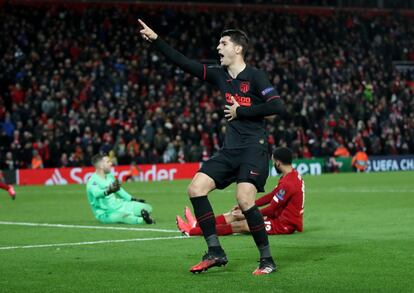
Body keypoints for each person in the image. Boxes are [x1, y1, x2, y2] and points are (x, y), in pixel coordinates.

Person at [139, 20, 287, 275]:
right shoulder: (219, 74)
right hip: (230, 149)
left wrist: (242, 111)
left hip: (254, 147)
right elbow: (184, 63)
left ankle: (267, 259)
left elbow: (277, 106)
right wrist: (156, 39)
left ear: (238, 49)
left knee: (244, 198)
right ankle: (215, 251)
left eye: (223, 43)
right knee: (195, 188)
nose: (218, 47)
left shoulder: (255, 76)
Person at [177, 147, 304, 236]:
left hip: (283, 225)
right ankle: (197, 224)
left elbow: (271, 209)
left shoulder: (288, 183)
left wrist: (247, 214)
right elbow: (272, 196)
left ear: (278, 162)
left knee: (242, 224)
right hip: (278, 217)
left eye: (273, 161)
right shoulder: (292, 176)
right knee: (234, 214)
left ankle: (191, 232)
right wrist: (246, 206)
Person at [86, 154, 154, 224]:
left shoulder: (110, 176)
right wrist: (108, 191)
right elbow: (96, 194)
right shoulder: (92, 181)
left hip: (119, 205)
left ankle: (142, 215)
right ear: (101, 166)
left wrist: (133, 199)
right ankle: (144, 220)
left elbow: (119, 190)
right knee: (123, 217)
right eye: (108, 162)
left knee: (147, 207)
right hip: (105, 213)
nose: (111, 163)